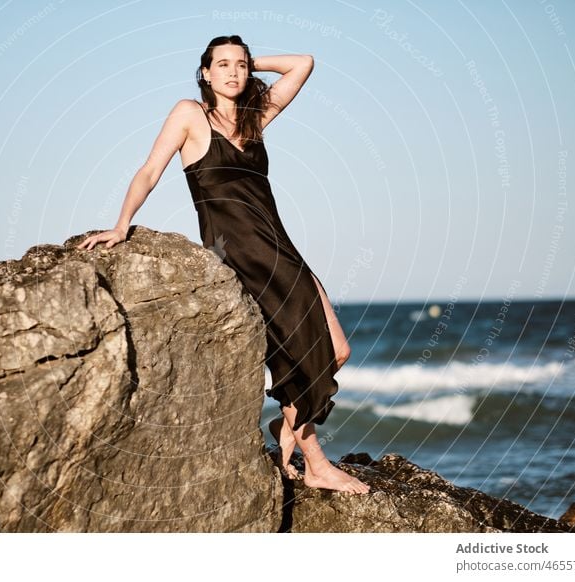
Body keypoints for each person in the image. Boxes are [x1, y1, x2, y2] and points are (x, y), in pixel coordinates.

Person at [78, 35, 369, 495]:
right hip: (239, 251)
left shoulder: (256, 119)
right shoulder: (189, 115)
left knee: (336, 350)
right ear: (206, 73)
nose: (234, 72)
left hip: (279, 245)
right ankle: (316, 463)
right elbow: (150, 169)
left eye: (241, 64)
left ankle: (287, 429)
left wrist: (257, 62)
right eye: (223, 64)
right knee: (293, 353)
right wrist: (121, 225)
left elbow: (302, 64)